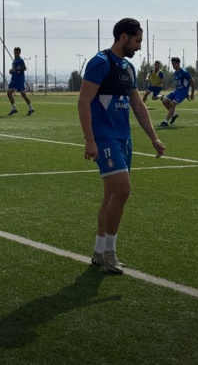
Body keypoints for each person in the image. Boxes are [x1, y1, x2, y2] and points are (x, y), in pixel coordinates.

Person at [78, 18, 166, 274]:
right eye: (137, 40)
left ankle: (98, 250)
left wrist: (153, 138)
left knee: (112, 194)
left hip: (123, 138)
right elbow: (84, 102)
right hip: (104, 138)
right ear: (123, 37)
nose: (139, 47)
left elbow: (137, 105)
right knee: (123, 189)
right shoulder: (100, 62)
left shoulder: (128, 68)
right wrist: (90, 139)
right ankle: (109, 253)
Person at [159, 57, 194, 127]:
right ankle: (174, 115)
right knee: (164, 101)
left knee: (172, 104)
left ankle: (165, 121)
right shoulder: (175, 73)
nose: (173, 66)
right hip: (177, 91)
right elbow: (178, 84)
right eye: (172, 64)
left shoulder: (184, 72)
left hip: (183, 91)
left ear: (178, 63)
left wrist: (191, 93)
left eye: (174, 64)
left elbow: (192, 81)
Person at [7, 47, 34, 116]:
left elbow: (24, 68)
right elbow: (14, 70)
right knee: (9, 93)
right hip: (14, 79)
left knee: (23, 94)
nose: (16, 53)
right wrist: (11, 71)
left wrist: (16, 69)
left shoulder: (20, 60)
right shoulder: (14, 61)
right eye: (15, 52)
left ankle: (31, 108)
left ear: (19, 53)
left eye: (17, 52)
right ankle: (14, 108)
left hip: (19, 79)